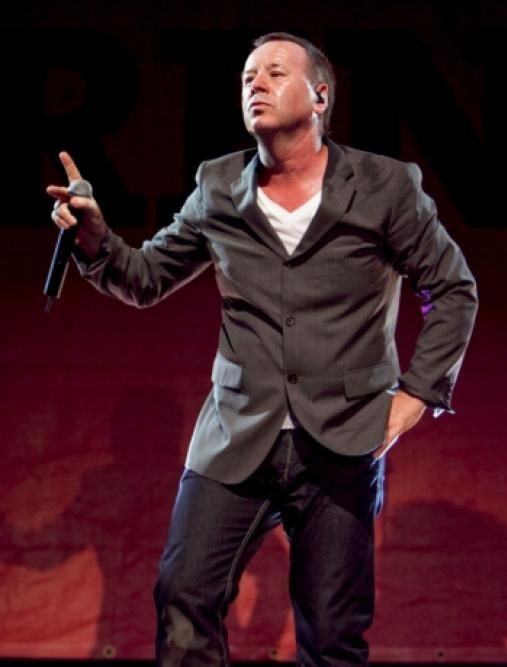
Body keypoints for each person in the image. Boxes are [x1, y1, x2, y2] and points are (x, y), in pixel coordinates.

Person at [48, 32, 477, 667]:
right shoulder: (219, 186)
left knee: (332, 635)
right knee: (184, 597)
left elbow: (454, 289)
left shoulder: (385, 186)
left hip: (343, 439)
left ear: (320, 96)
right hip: (236, 433)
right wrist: (94, 237)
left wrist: (416, 396)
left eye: (275, 72)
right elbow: (145, 278)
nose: (256, 83)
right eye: (248, 76)